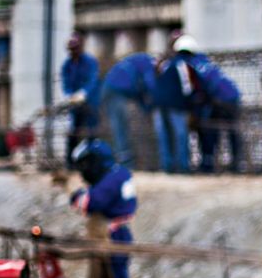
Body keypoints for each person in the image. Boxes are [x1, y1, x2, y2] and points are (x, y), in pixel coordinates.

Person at [69, 139, 140, 278]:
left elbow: (90, 203)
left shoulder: (112, 179)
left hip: (112, 236)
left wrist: (76, 195)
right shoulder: (120, 174)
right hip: (108, 235)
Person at [172, 36, 243, 174]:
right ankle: (235, 165)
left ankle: (208, 165)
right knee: (231, 130)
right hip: (232, 97)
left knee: (209, 130)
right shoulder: (204, 61)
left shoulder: (187, 66)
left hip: (218, 100)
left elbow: (197, 91)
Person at [101, 51, 160, 168]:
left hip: (112, 90)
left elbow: (138, 94)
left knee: (120, 127)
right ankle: (126, 164)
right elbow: (150, 85)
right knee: (120, 127)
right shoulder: (148, 62)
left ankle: (125, 161)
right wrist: (156, 101)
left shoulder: (137, 65)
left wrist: (147, 109)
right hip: (115, 92)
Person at [152, 32, 192, 174]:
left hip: (176, 105)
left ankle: (183, 166)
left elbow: (187, 86)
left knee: (180, 135)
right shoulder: (164, 62)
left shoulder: (181, 63)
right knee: (163, 136)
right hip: (160, 105)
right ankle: (167, 166)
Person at [60, 33, 102, 165]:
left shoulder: (90, 62)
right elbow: (66, 83)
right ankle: (70, 163)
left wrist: (84, 93)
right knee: (73, 132)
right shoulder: (67, 65)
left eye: (76, 48)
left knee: (91, 132)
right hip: (75, 104)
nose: (73, 51)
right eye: (71, 49)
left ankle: (92, 162)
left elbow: (93, 80)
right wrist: (69, 95)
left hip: (91, 102)